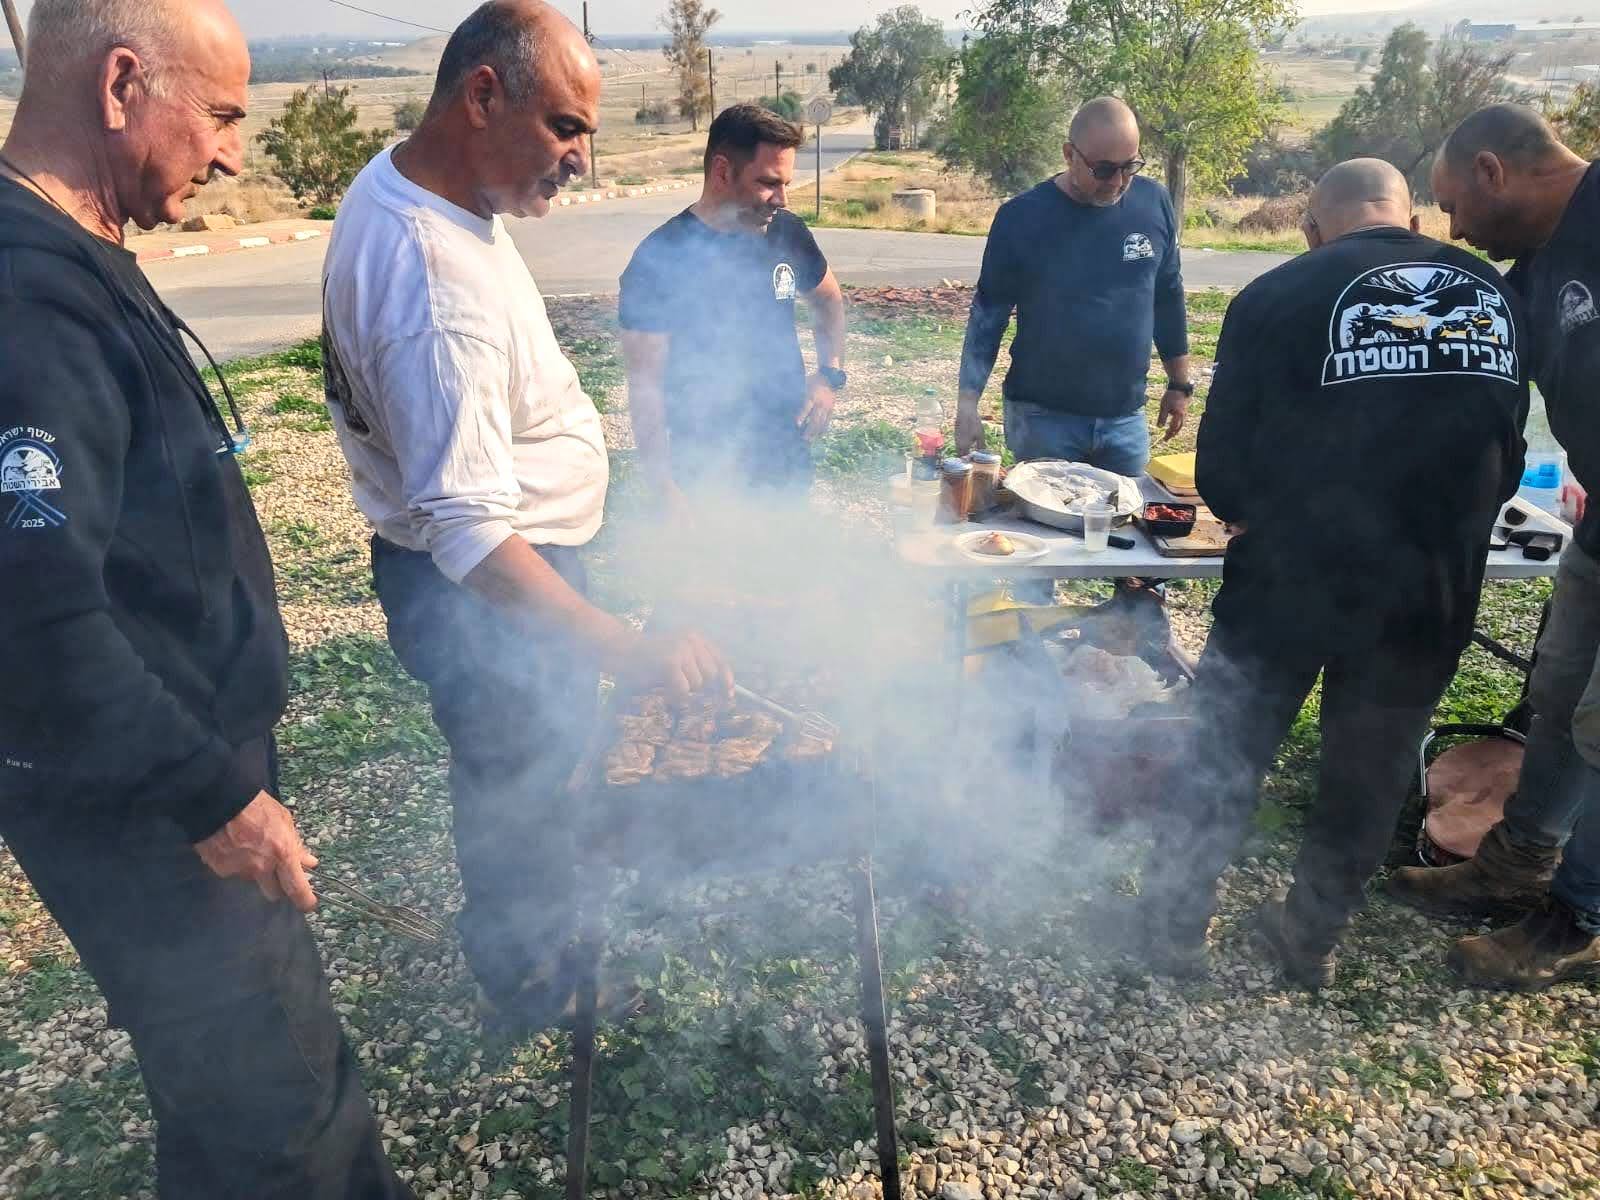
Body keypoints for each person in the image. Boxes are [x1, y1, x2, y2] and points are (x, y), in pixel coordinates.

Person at [0, 2, 409, 1196]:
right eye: (221, 115)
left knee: (224, 1102)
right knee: (287, 1122)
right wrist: (212, 793)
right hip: (149, 810)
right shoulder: (29, 306)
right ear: (121, 84)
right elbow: (29, 614)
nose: (232, 154)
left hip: (168, 780)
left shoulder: (70, 255)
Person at [321, 0, 731, 1036]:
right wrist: (628, 650)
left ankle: (534, 935)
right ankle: (533, 976)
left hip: (485, 575)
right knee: (522, 783)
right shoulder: (434, 286)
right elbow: (471, 535)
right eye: (565, 128)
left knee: (527, 770)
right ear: (482, 96)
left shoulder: (414, 186)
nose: (581, 159)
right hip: (484, 594)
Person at [1138, 159, 1528, 989]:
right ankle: (1311, 938)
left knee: (1227, 750)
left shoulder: (1275, 295)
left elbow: (1222, 477)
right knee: (1370, 773)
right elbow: (1508, 456)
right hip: (1428, 592)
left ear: (1313, 230)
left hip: (1290, 583)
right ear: (1412, 222)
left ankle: (1173, 929)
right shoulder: (1495, 293)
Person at [1387, 105, 1600, 990]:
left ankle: (1577, 923)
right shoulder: (1536, 269)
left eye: (1453, 205)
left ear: (1491, 171)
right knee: (1557, 698)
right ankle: (1518, 862)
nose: (1456, 228)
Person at [620, 103, 848, 511]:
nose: (782, 199)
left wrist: (829, 376)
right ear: (723, 172)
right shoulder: (659, 258)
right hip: (704, 465)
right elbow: (645, 386)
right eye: (768, 183)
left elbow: (829, 299)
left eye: (786, 183)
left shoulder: (787, 233)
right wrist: (663, 487)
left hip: (785, 452)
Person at [956, 96, 1193, 471]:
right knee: (1044, 512)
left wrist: (1179, 383)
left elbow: (1167, 295)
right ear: (1070, 154)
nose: (1118, 183)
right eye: (1104, 170)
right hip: (1043, 420)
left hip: (1126, 420)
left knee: (1125, 511)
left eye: (1129, 167)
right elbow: (988, 315)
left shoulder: (1154, 202)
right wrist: (967, 404)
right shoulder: (1022, 218)